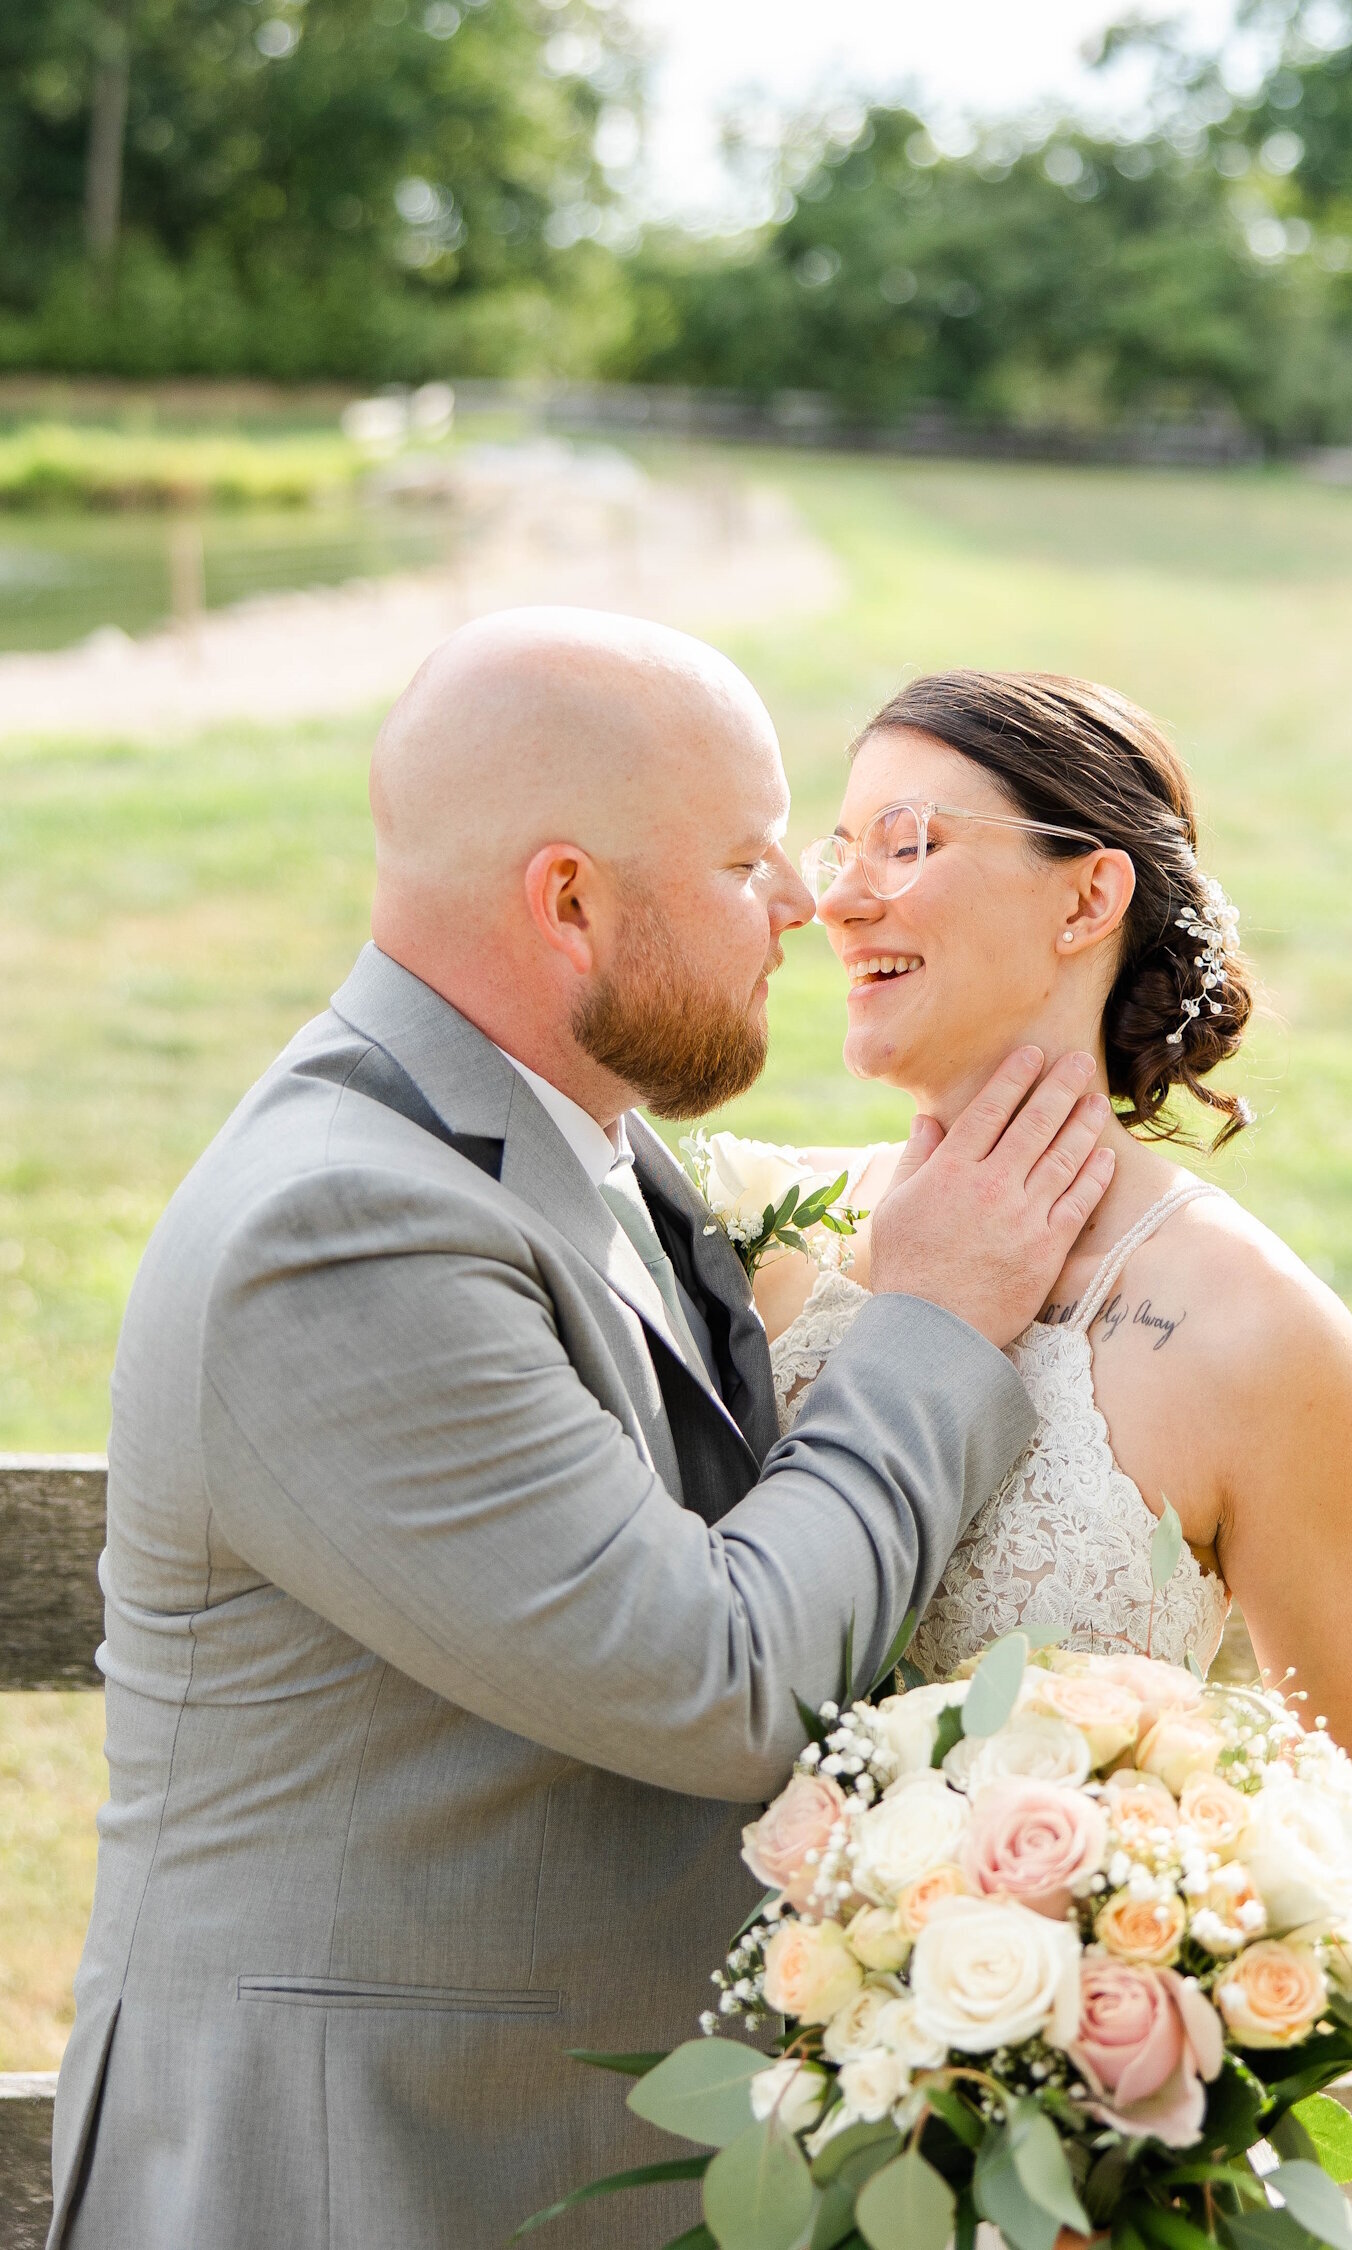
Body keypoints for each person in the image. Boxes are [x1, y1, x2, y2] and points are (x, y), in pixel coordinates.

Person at [48, 613, 1115, 2250]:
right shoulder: (338, 1232)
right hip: (362, 2179)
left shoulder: (554, 1132)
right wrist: (931, 1323)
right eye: (748, 860)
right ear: (567, 902)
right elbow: (719, 1680)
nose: (808, 903)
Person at [761, 669, 1352, 1767]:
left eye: (908, 841)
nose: (837, 901)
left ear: (1087, 899)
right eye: (842, 848)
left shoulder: (1261, 1336)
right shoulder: (766, 1242)